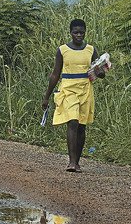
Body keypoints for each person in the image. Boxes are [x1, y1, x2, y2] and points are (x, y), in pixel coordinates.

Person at [42, 18, 105, 172]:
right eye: (75, 32)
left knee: (82, 126)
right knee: (73, 122)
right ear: (70, 33)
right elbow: (55, 74)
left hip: (85, 90)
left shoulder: (91, 50)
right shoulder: (62, 50)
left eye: (81, 32)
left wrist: (100, 70)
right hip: (68, 89)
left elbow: (100, 72)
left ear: (85, 33)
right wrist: (46, 96)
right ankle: (71, 162)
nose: (78, 35)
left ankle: (77, 162)